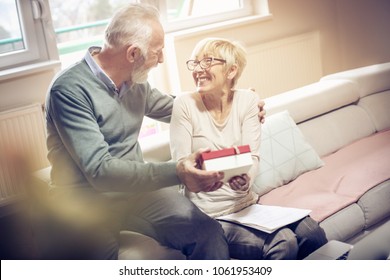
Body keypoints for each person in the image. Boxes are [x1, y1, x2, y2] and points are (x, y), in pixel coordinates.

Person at [42, 3, 265, 260]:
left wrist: (239, 103)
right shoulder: (69, 90)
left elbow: (183, 108)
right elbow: (100, 171)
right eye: (158, 52)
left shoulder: (135, 84)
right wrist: (178, 171)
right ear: (133, 53)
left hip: (134, 194)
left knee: (207, 232)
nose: (161, 59)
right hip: (84, 202)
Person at [169, 37, 328, 260]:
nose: (198, 69)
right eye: (195, 63)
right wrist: (205, 175)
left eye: (207, 62)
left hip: (247, 204)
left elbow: (252, 156)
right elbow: (182, 166)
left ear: (231, 70)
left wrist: (246, 179)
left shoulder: (248, 101)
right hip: (208, 216)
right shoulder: (184, 104)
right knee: (283, 242)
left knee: (313, 233)